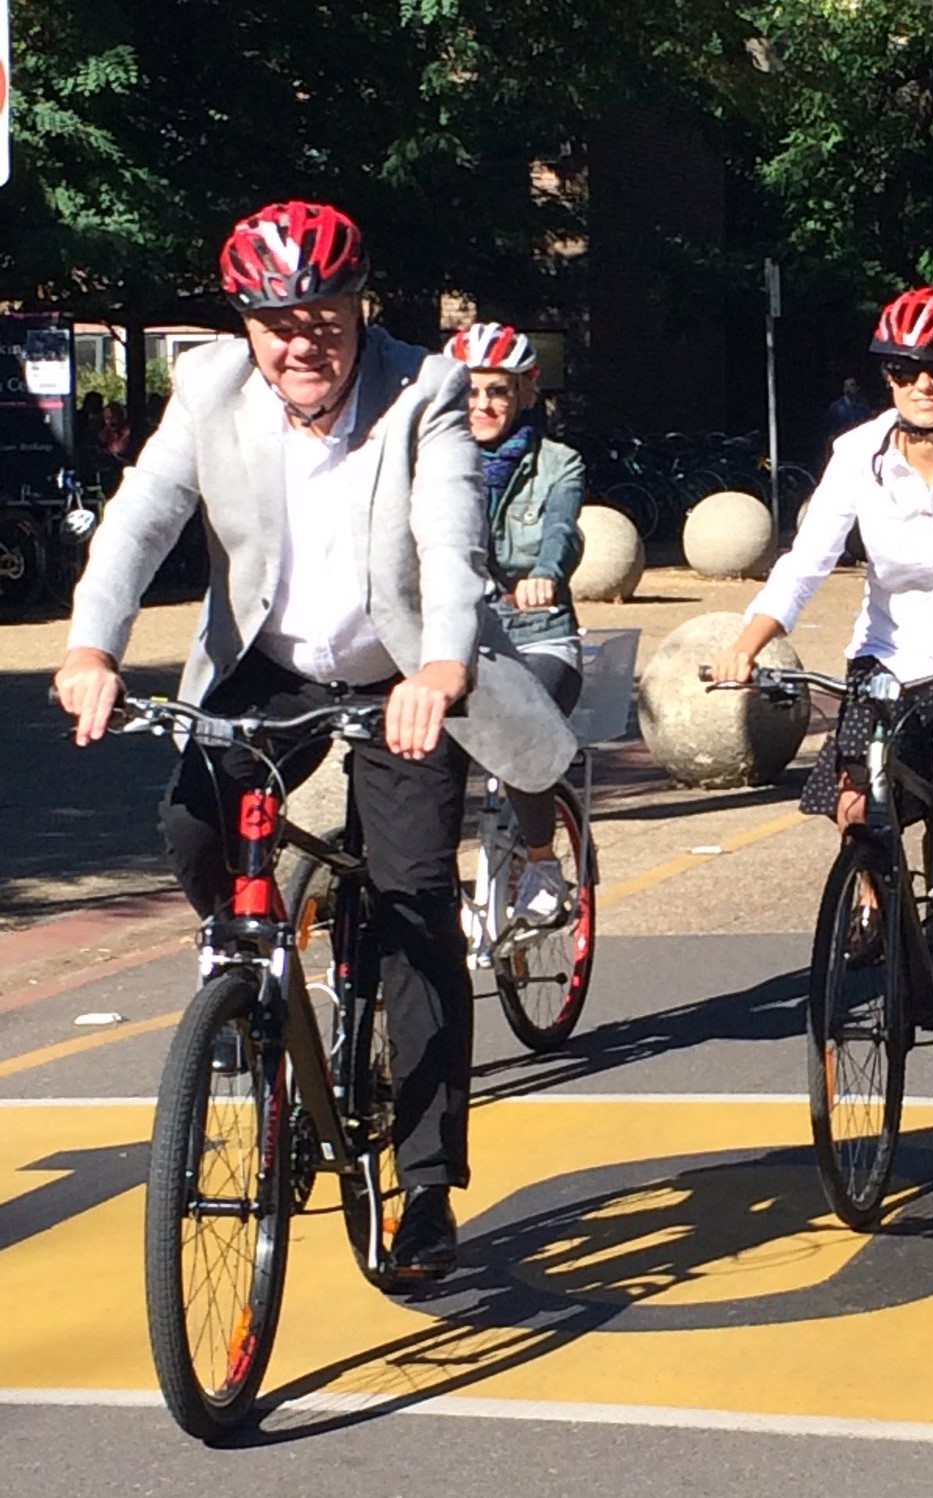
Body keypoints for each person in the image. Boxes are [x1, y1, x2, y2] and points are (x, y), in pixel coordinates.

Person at [53, 200, 576, 1279]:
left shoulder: (422, 388)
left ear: (359, 309)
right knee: (193, 826)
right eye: (277, 320)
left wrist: (441, 662)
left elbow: (447, 535)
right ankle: (255, 993)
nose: (303, 342)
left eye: (325, 316)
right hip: (270, 664)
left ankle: (427, 1184)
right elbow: (143, 515)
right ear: (246, 324)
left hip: (399, 675)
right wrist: (92, 647)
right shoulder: (209, 386)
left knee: (414, 896)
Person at [716, 286, 933, 1102]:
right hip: (887, 659)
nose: (924, 384)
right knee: (852, 802)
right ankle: (873, 892)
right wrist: (746, 643)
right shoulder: (858, 452)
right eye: (906, 369)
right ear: (888, 377)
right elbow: (807, 560)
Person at [447, 321, 585, 930]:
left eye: (498, 391)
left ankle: (542, 861)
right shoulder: (431, 462)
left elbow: (560, 530)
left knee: (520, 723)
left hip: (538, 636)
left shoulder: (558, 463)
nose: (483, 406)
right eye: (470, 392)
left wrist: (546, 575)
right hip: (454, 640)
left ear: (525, 393)